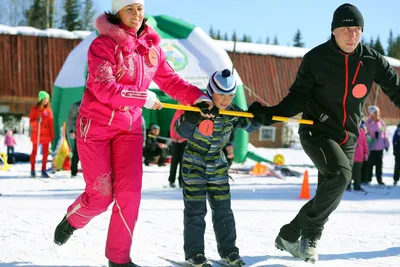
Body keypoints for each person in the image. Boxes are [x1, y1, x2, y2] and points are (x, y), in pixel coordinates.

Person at [53, 1, 211, 267]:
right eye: (129, 9)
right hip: (96, 127)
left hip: (129, 129)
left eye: (139, 8)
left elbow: (171, 81)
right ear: (117, 13)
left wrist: (199, 98)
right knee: (101, 197)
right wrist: (142, 97)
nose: (136, 14)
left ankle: (118, 259)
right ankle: (73, 219)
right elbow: (103, 87)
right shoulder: (102, 45)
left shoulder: (151, 48)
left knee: (129, 195)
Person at [249, 3, 400, 264]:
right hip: (317, 130)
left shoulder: (372, 60)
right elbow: (296, 98)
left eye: (357, 30)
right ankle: (311, 235)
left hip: (349, 135)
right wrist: (270, 113)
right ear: (333, 31)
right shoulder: (316, 59)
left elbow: (396, 89)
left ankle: (290, 234)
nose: (352, 35)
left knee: (331, 190)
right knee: (341, 176)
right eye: (346, 29)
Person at [175, 69, 262, 267]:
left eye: (230, 94)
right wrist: (192, 116)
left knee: (224, 210)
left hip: (218, 167)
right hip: (194, 167)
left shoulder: (231, 110)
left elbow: (249, 125)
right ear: (211, 91)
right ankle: (195, 253)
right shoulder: (198, 105)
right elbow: (181, 129)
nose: (226, 99)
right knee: (195, 212)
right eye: (221, 94)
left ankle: (229, 251)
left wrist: (258, 116)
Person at [29, 90, 54, 178]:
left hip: (46, 135)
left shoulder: (49, 111)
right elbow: (31, 122)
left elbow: (51, 124)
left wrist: (52, 135)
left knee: (45, 153)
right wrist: (36, 122)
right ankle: (32, 169)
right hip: (37, 134)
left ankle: (43, 169)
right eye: (45, 99)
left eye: (47, 99)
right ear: (41, 99)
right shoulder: (34, 110)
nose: (46, 101)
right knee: (34, 152)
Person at [365, 105, 389, 185]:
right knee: (370, 164)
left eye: (378, 112)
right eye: (375, 112)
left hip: (380, 147)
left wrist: (386, 144)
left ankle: (379, 179)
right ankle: (368, 179)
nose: (377, 114)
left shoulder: (381, 123)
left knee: (379, 164)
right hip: (371, 147)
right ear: (371, 113)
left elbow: (384, 133)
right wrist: (370, 140)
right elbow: (366, 134)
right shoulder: (368, 123)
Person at [168, 109, 186, 188]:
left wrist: (183, 138)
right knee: (174, 160)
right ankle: (171, 180)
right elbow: (172, 126)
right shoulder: (177, 112)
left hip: (184, 140)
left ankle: (181, 181)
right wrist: (173, 137)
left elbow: (189, 127)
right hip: (175, 140)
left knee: (183, 161)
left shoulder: (188, 112)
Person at [347, 124, 368, 191]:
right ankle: (348, 186)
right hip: (351, 155)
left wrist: (366, 153)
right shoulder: (349, 131)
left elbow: (365, 144)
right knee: (349, 172)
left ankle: (357, 186)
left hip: (359, 156)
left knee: (357, 173)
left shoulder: (362, 132)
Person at [66, 100, 82, 177]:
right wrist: (71, 130)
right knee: (77, 152)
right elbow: (70, 119)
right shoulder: (77, 106)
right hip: (79, 133)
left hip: (92, 134)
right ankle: (73, 171)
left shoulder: (96, 104)